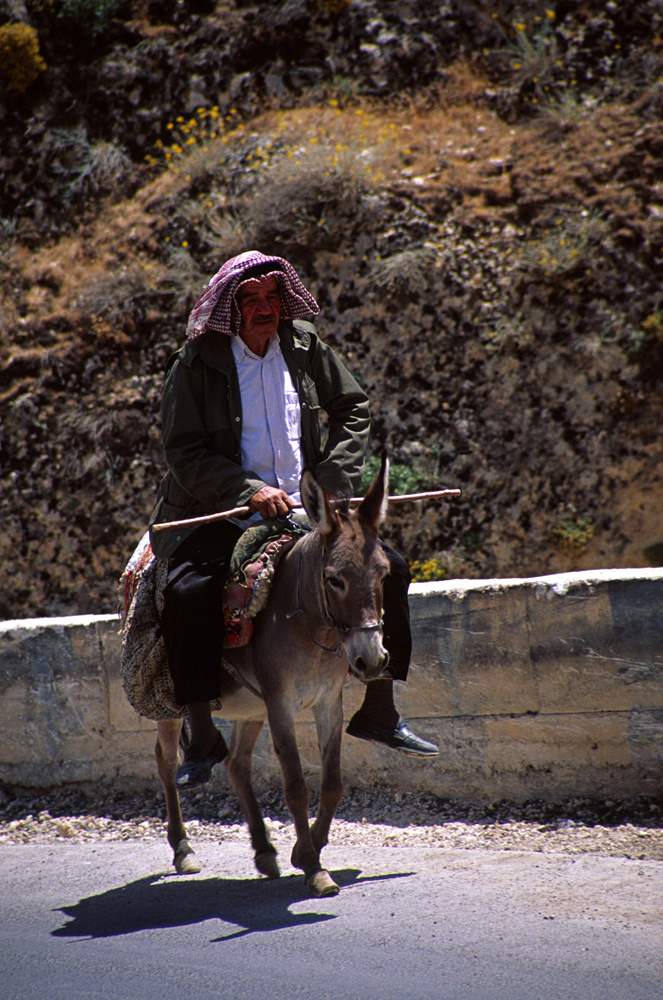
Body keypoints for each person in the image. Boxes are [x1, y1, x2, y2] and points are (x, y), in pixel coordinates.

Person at [149, 250, 439, 789]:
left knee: (388, 569)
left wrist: (330, 476)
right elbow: (182, 450)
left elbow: (353, 407)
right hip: (223, 510)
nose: (264, 308)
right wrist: (249, 489)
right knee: (189, 592)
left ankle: (379, 707)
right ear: (230, 308)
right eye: (251, 299)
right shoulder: (196, 363)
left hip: (308, 507)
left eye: (272, 298)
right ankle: (201, 732)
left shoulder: (304, 346)